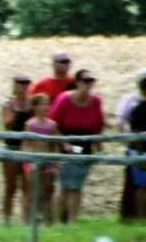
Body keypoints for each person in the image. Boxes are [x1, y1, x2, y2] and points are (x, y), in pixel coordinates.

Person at [50, 69, 104, 224]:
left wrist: (98, 146)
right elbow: (53, 124)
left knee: (77, 185)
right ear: (77, 82)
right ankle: (57, 221)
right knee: (64, 184)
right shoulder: (64, 99)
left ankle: (73, 221)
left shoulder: (96, 101)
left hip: (85, 145)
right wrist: (63, 143)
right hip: (65, 144)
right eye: (85, 81)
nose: (88, 84)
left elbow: (98, 125)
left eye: (91, 81)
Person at [0, 75, 35, 225]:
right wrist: (15, 110)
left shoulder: (32, 105)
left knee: (27, 188)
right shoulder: (8, 104)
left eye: (26, 83)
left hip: (27, 148)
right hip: (12, 147)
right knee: (10, 187)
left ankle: (26, 221)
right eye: (21, 83)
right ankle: (7, 220)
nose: (24, 86)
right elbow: (7, 124)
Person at [22, 94, 61, 223]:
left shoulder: (52, 125)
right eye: (43, 103)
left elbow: (55, 145)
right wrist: (29, 161)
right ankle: (28, 221)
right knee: (31, 192)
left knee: (47, 191)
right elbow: (25, 145)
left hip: (47, 160)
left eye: (48, 103)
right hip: (32, 160)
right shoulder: (30, 124)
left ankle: (47, 220)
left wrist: (56, 162)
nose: (47, 106)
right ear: (36, 106)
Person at [118, 70, 146, 222]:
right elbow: (137, 133)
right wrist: (140, 155)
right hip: (140, 151)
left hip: (139, 150)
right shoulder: (139, 109)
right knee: (141, 187)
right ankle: (141, 217)